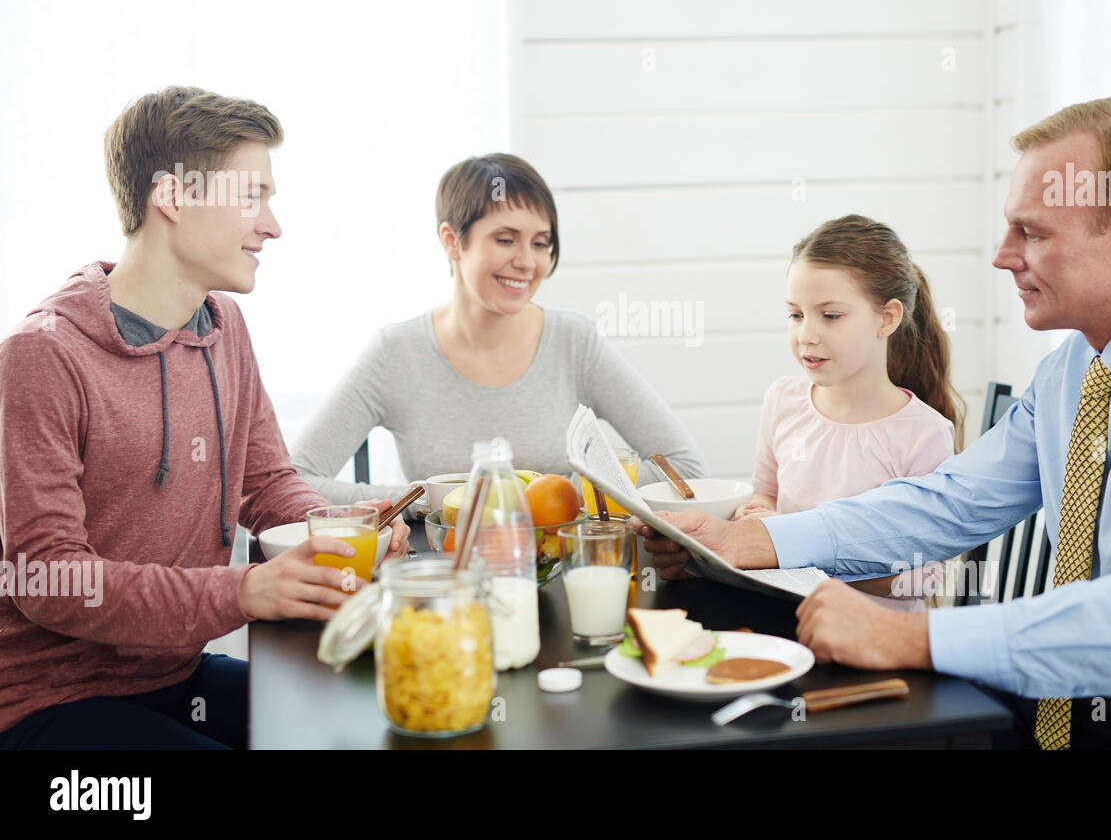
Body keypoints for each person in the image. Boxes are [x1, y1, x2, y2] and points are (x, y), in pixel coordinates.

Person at [639, 97, 1111, 749]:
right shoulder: (1074, 369)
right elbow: (948, 501)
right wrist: (747, 540)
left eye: (1032, 232)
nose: (1002, 255)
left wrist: (912, 636)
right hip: (1077, 701)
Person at [0, 87, 410, 749]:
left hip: (173, 677)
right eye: (252, 196)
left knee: (374, 722)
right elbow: (46, 578)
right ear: (172, 196)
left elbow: (265, 484)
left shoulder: (224, 328)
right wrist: (242, 591)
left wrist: (343, 529)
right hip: (50, 701)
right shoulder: (44, 354)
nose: (272, 225)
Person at [291, 153, 707, 504]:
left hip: (557, 565)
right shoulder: (395, 353)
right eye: (506, 240)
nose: (526, 262)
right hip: (447, 570)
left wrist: (556, 495)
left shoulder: (574, 342)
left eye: (540, 243)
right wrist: (433, 498)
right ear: (452, 241)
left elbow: (684, 468)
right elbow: (297, 481)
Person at [734, 215, 961, 609]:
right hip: (785, 623)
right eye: (796, 314)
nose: (806, 335)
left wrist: (795, 547)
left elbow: (920, 579)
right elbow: (766, 494)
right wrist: (757, 514)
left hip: (875, 637)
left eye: (830, 316)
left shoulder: (923, 434)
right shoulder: (783, 400)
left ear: (887, 318)